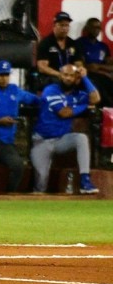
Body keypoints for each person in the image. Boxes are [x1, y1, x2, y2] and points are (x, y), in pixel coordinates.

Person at [30, 64, 100, 194]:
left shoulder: (77, 94)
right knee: (41, 182)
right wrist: (84, 106)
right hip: (42, 140)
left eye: (71, 76)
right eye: (65, 75)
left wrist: (85, 78)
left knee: (81, 138)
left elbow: (96, 98)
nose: (68, 78)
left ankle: (85, 180)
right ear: (60, 75)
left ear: (76, 78)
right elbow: (64, 113)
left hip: (61, 139)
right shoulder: (51, 90)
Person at [0, 60, 40, 193]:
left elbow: (33, 99)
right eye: (1, 75)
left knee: (18, 166)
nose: (4, 78)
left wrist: (49, 101)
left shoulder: (14, 90)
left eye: (6, 75)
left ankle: (9, 195)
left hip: (6, 142)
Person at [36, 11, 84, 90]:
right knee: (56, 82)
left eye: (66, 25)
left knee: (87, 81)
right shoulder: (46, 43)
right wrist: (60, 74)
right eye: (61, 25)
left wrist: (78, 73)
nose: (64, 28)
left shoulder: (73, 43)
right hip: (52, 76)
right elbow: (42, 67)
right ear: (54, 26)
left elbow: (78, 63)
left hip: (70, 76)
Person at [76, 17, 113, 107]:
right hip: (88, 76)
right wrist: (103, 70)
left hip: (103, 76)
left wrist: (99, 67)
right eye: (93, 27)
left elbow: (110, 66)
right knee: (98, 84)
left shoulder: (103, 46)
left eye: (98, 28)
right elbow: (86, 67)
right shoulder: (79, 43)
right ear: (87, 28)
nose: (96, 30)